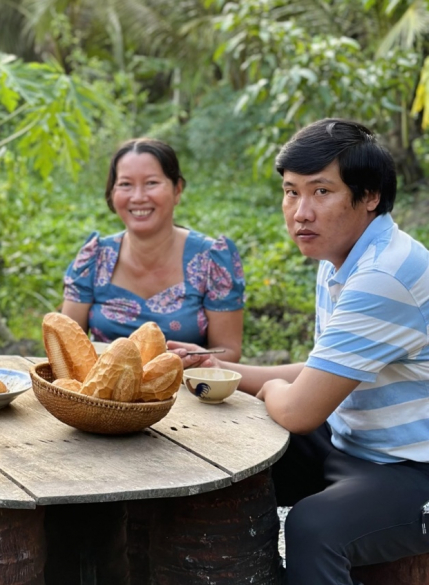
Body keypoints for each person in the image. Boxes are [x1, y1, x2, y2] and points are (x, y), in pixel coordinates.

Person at [170, 119, 429, 584]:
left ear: (369, 196)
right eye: (291, 192)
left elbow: (300, 412)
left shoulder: (382, 276)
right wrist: (218, 365)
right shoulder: (340, 256)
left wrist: (269, 387)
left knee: (313, 528)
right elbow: (322, 371)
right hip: (356, 446)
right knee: (226, 446)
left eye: (321, 192)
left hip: (414, 470)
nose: (300, 212)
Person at [62, 138, 245, 361]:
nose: (138, 197)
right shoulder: (93, 259)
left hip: (187, 391)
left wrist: (196, 361)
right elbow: (67, 348)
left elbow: (228, 350)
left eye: (151, 183)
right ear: (112, 193)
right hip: (103, 391)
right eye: (125, 184)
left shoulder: (212, 260)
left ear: (177, 189)